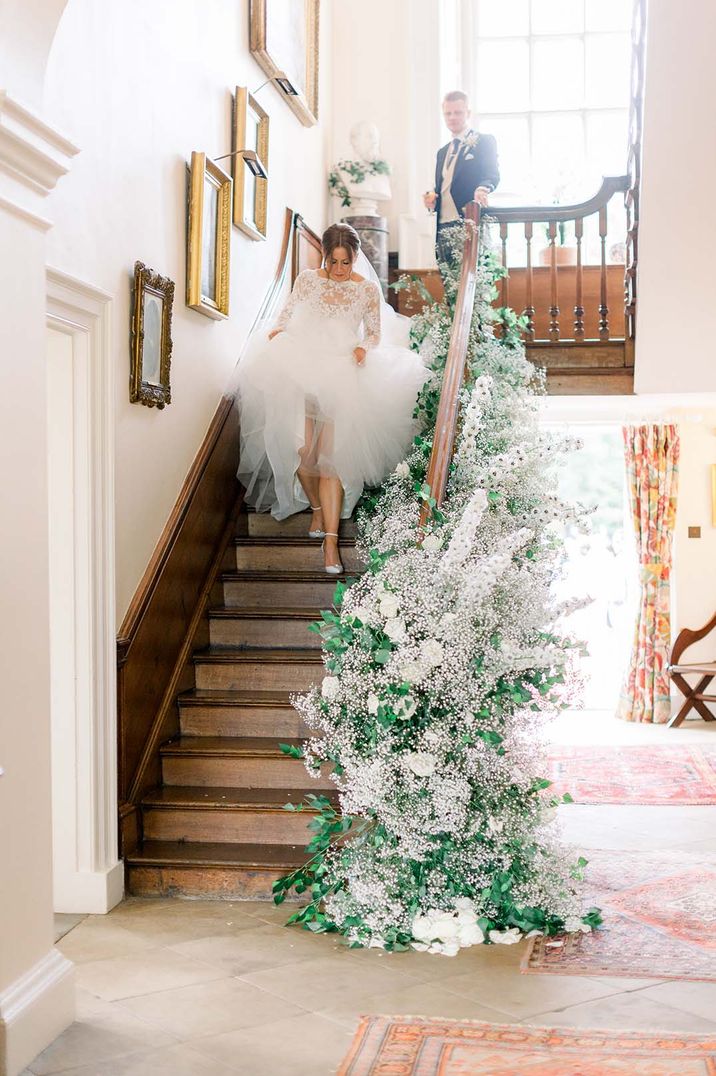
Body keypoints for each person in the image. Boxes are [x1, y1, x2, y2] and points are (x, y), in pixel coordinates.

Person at [236, 223, 427, 574]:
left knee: (330, 462)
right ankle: (318, 509)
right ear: (325, 256)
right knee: (304, 456)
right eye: (334, 261)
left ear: (355, 259)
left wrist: (361, 349)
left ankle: (330, 544)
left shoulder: (366, 289)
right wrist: (278, 331)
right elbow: (288, 312)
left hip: (343, 373)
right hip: (306, 369)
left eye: (346, 263)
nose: (340, 270)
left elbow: (374, 334)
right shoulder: (308, 279)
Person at [423, 91, 500, 270]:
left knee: (473, 280)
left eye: (458, 112)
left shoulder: (484, 141)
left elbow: (492, 174)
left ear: (468, 113)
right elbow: (442, 186)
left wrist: (483, 188)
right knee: (449, 282)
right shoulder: (442, 152)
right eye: (448, 113)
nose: (452, 117)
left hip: (468, 220)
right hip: (442, 225)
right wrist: (432, 199)